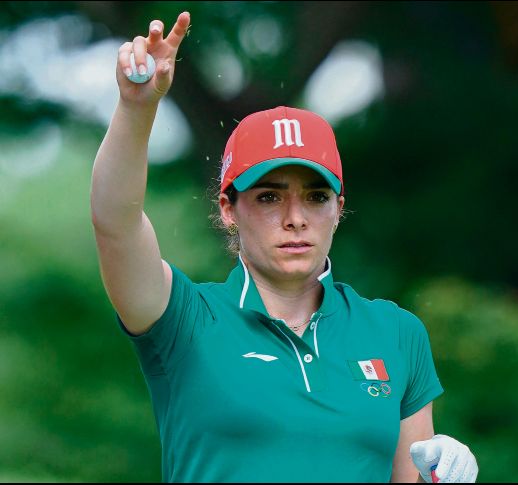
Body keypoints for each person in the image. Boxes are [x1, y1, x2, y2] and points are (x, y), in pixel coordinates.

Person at [90, 11, 478, 483]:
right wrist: (136, 108)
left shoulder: (396, 333)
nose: (295, 217)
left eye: (315, 197)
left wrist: (443, 477)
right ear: (229, 208)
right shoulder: (185, 319)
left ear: (338, 207)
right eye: (269, 196)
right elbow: (116, 222)